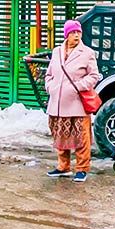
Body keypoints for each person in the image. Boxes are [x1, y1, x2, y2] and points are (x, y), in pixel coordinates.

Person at [44, 20, 100, 182]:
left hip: (77, 103)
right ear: (66, 35)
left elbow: (94, 76)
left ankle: (82, 168)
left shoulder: (87, 53)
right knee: (60, 135)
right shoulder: (57, 52)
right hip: (58, 103)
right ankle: (63, 166)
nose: (76, 35)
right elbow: (49, 74)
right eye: (73, 32)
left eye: (78, 32)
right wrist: (50, 87)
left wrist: (78, 87)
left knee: (81, 137)